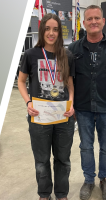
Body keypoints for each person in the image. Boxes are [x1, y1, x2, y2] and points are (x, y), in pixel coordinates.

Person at [68, 5, 106, 200]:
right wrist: (70, 106)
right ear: (84, 23)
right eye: (89, 19)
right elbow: (69, 81)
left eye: (97, 18)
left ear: (103, 21)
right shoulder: (73, 49)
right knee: (86, 146)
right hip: (83, 108)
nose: (93, 21)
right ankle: (89, 180)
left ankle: (104, 179)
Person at [18, 13, 75, 200]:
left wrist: (72, 104)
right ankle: (44, 194)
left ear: (60, 32)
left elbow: (70, 84)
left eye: (55, 29)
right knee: (41, 161)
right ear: (42, 30)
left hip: (63, 117)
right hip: (39, 116)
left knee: (63, 160)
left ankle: (61, 195)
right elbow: (21, 81)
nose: (51, 33)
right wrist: (28, 102)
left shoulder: (67, 55)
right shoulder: (31, 54)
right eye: (48, 28)